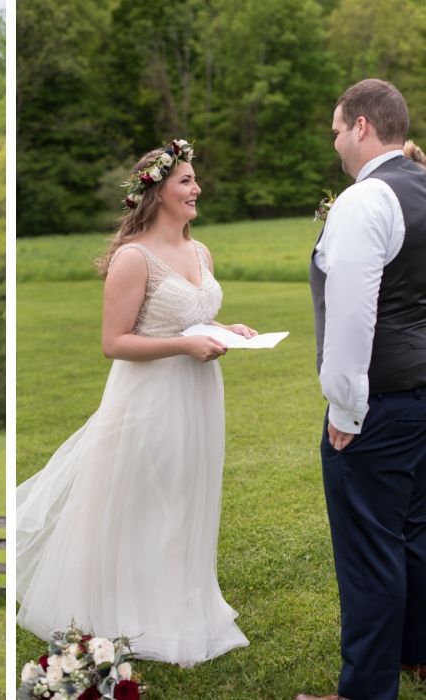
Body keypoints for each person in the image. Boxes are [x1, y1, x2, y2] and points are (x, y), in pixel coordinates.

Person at [15, 139, 254, 667]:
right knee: (145, 502)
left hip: (198, 396)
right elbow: (115, 342)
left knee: (187, 496)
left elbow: (190, 317)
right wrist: (185, 345)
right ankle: (131, 612)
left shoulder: (200, 251)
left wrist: (223, 329)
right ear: (158, 191)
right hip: (148, 397)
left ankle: (182, 601)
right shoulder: (133, 257)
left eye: (194, 179)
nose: (197, 188)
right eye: (186, 181)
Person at [297, 78, 426, 700]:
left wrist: (347, 408)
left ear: (363, 128)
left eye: (337, 132)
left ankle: (366, 691)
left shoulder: (366, 200)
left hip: (381, 407)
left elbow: (353, 314)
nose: (336, 145)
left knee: (371, 550)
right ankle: (418, 655)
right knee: (418, 535)